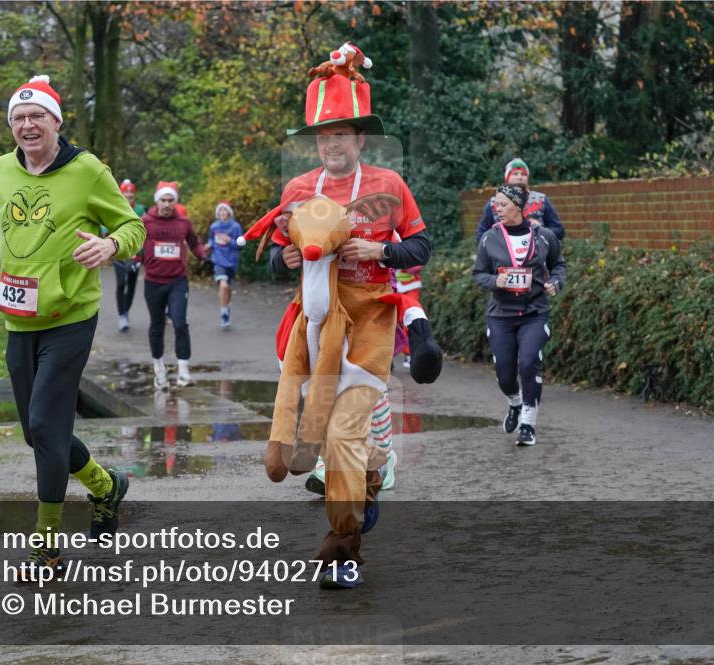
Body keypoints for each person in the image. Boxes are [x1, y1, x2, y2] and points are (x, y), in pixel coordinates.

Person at [255, 47, 434, 589]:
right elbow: (273, 255)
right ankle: (372, 472)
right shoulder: (297, 190)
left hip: (371, 325)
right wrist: (283, 259)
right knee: (341, 442)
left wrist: (382, 252)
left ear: (360, 139)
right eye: (322, 136)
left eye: (340, 134)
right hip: (315, 327)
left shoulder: (390, 185)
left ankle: (343, 551)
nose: (331, 144)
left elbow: (422, 247)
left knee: (340, 436)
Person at [0, 75, 144, 576]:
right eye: (18, 118)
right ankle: (106, 485)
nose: (27, 125)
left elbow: (133, 227)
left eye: (37, 115)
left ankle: (47, 548)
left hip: (70, 317)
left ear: (56, 121)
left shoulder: (87, 170)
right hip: (18, 320)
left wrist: (110, 245)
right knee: (36, 433)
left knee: (44, 426)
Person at [473, 183, 567, 446]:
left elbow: (559, 265)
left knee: (528, 363)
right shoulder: (489, 238)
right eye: (496, 204)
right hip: (501, 315)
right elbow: (478, 274)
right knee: (505, 373)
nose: (497, 209)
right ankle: (515, 403)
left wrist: (555, 283)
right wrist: (495, 281)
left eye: (502, 204)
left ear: (517, 206)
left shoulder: (543, 236)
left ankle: (528, 424)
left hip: (534, 312)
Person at [140, 181, 206, 389]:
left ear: (175, 202)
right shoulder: (145, 222)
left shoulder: (183, 223)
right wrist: (132, 257)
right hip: (153, 281)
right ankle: (159, 369)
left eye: (171, 200)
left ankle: (183, 371)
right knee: (157, 325)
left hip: (177, 280)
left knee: (179, 323)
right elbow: (133, 241)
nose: (167, 204)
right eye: (163, 200)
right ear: (157, 201)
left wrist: (203, 255)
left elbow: (194, 242)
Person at [475, 158, 565, 244]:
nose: (519, 177)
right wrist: (494, 243)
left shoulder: (541, 200)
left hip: (537, 252)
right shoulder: (494, 203)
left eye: (523, 174)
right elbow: (481, 234)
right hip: (503, 252)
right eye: (515, 173)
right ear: (507, 177)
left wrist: (541, 231)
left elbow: (559, 231)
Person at [113, 179, 145, 332]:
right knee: (121, 283)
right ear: (121, 194)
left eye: (131, 193)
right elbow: (104, 226)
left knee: (131, 284)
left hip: (136, 255)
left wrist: (142, 254)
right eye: (126, 193)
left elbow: (146, 230)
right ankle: (121, 314)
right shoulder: (114, 207)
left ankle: (126, 311)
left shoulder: (140, 210)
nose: (128, 195)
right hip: (119, 253)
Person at [206, 201, 243, 328]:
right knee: (223, 285)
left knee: (228, 288)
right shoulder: (214, 227)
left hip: (231, 261)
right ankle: (224, 313)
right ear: (217, 213)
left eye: (225, 210)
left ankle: (226, 306)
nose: (222, 213)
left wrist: (229, 241)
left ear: (229, 213)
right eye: (220, 210)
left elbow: (240, 245)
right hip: (218, 260)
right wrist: (209, 245)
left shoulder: (236, 227)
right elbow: (211, 239)